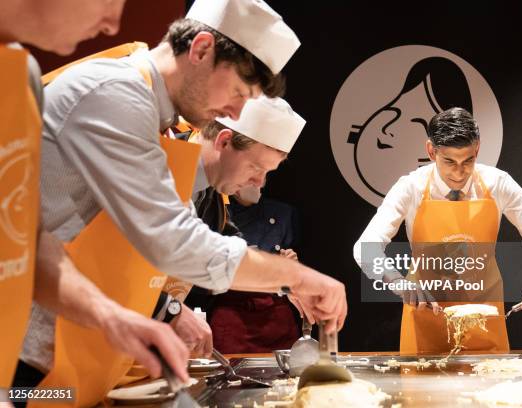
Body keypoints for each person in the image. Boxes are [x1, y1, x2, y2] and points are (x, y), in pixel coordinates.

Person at [20, 0, 346, 405]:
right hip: (24, 362)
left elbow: (40, 242)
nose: (235, 111)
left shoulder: (155, 120)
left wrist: (129, 317)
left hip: (66, 352)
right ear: (202, 49)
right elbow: (175, 242)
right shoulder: (118, 94)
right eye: (238, 92)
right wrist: (298, 278)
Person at [0, 0, 190, 399]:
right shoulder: (107, 91)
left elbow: (27, 240)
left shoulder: (21, 75)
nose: (111, 24)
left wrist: (112, 317)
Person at [354, 107, 522, 354]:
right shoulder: (411, 187)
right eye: (449, 162)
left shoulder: (499, 183)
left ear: (477, 148)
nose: (459, 172)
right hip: (426, 312)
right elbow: (365, 247)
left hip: (484, 312)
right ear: (431, 151)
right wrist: (398, 282)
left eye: (468, 161)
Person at [182, 96, 305, 352]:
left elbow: (230, 246)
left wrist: (286, 282)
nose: (259, 183)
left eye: (267, 173)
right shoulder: (163, 165)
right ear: (224, 141)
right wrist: (168, 310)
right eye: (255, 167)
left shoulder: (212, 189)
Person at [348, 57, 472, 198]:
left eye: (417, 122)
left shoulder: (494, 182)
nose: (386, 129)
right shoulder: (410, 186)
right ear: (431, 151)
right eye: (393, 110)